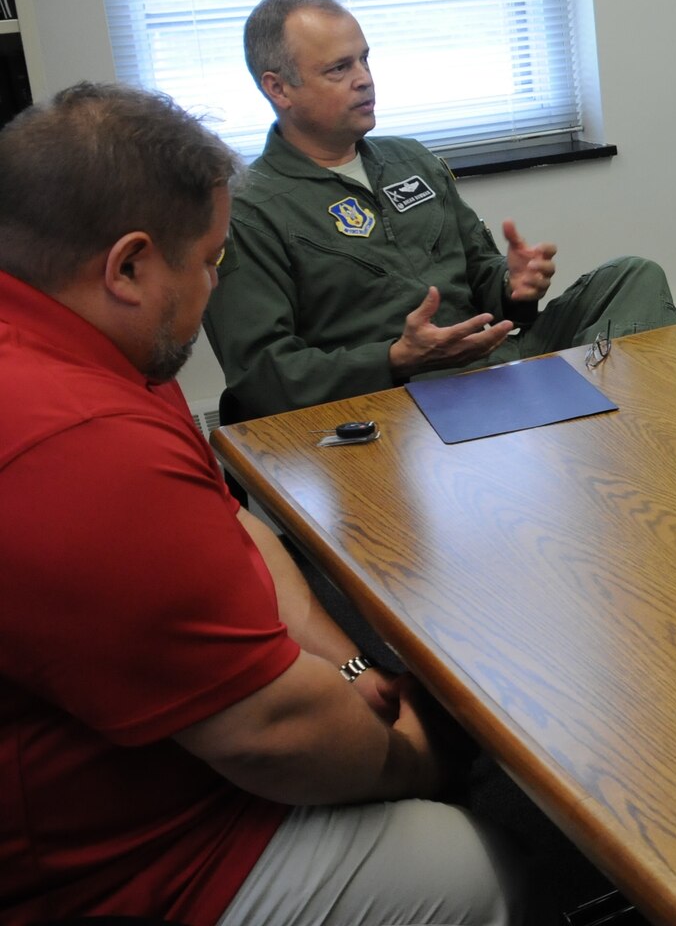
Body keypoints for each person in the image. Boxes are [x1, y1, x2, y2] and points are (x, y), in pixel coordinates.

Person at [0, 83, 518, 924]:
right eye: (207, 263)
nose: (212, 291)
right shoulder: (77, 439)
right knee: (467, 859)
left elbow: (232, 523)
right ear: (129, 267)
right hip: (117, 867)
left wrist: (349, 666)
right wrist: (422, 752)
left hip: (146, 762)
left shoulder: (94, 351)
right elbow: (273, 735)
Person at [206, 0, 676, 419]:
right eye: (339, 68)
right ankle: (603, 427)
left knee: (634, 275)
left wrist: (514, 284)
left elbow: (480, 279)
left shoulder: (410, 160)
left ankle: (633, 432)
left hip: (494, 363)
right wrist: (395, 358)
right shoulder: (249, 208)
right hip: (393, 401)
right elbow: (261, 378)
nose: (365, 80)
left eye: (365, 60)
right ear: (278, 88)